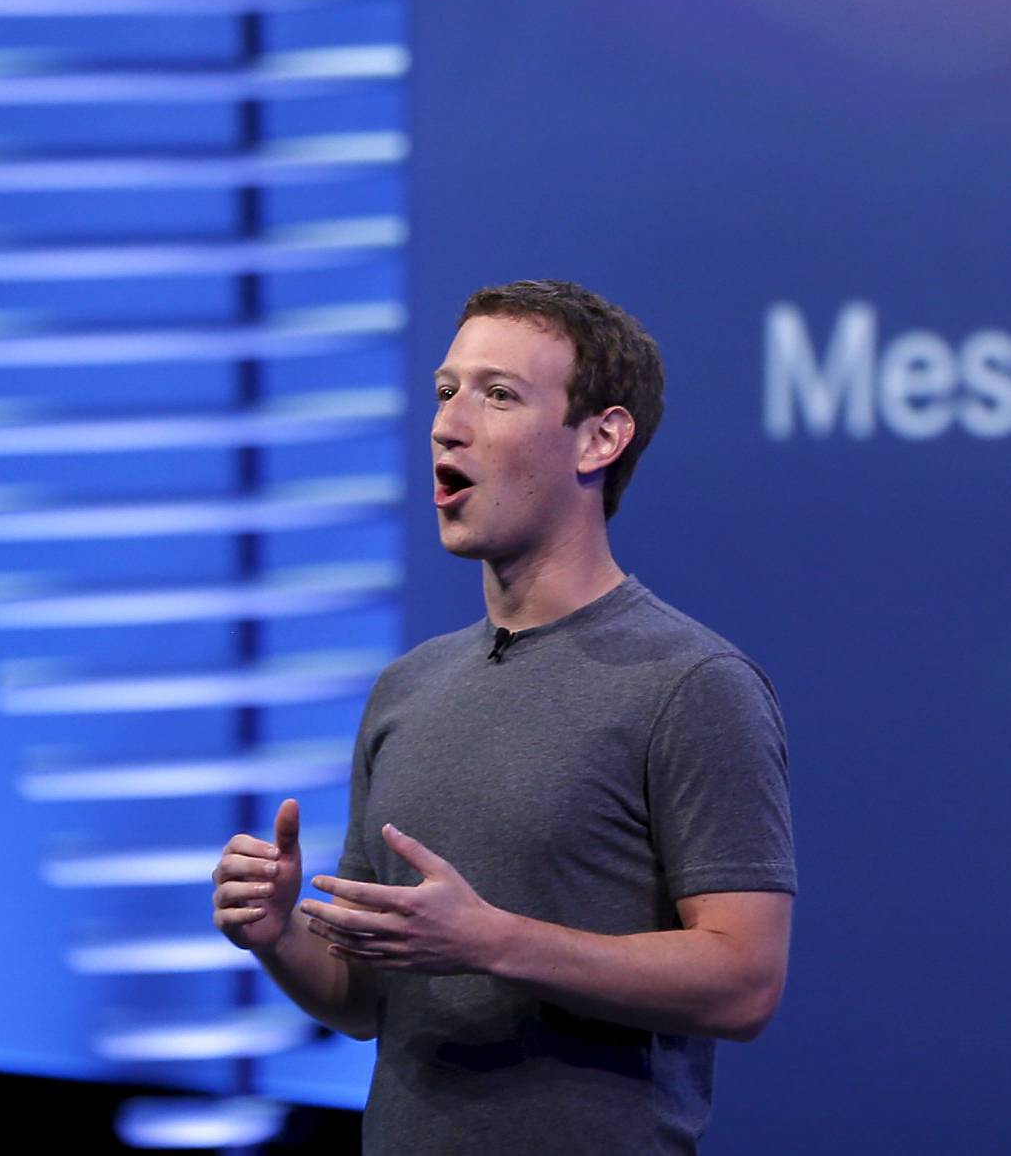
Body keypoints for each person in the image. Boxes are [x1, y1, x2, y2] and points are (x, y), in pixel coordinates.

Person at [211, 277, 796, 1153]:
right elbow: (368, 999)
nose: (449, 423)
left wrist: (494, 941)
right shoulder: (407, 689)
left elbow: (743, 982)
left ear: (600, 438)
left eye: (498, 395)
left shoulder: (691, 682)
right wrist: (279, 936)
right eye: (446, 391)